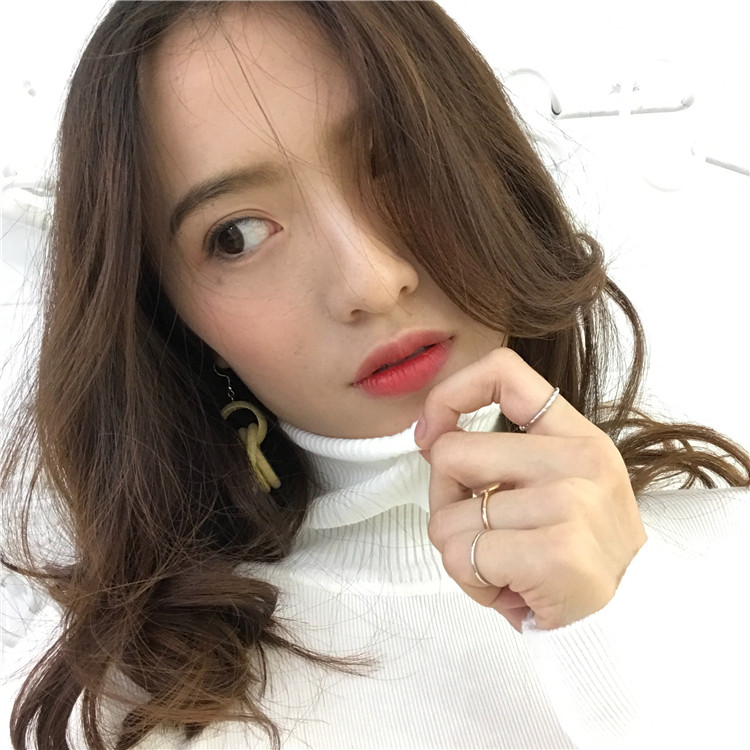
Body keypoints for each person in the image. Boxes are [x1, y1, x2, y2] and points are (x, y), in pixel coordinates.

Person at [1, 2, 748, 749]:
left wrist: (619, 643)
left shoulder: (728, 543)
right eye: (237, 235)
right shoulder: (116, 711)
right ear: (170, 319)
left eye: (394, 158)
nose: (371, 280)